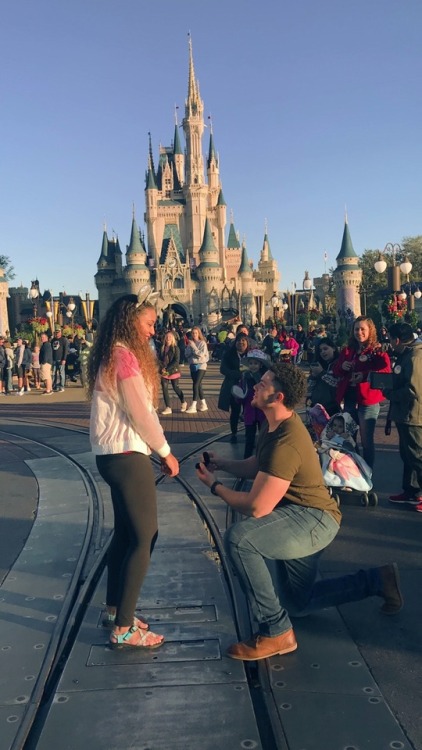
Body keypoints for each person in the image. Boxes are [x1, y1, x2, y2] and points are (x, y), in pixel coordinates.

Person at [196, 362, 403, 661]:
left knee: (240, 540)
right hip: (302, 514)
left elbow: (257, 507)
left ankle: (276, 631)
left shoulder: (287, 441)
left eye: (263, 384)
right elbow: (257, 465)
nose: (255, 386)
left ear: (277, 397)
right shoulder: (276, 425)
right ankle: (378, 580)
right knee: (298, 602)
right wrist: (223, 465)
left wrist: (215, 486)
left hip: (312, 519)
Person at [88, 290, 179, 649]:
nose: (152, 331)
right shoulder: (124, 359)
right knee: (145, 537)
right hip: (126, 456)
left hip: (111, 454)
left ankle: (115, 609)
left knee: (125, 534)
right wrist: (166, 451)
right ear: (131, 321)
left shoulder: (112, 355)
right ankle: (124, 627)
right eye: (149, 323)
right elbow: (141, 412)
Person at [332, 316, 391, 468]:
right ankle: (355, 469)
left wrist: (365, 376)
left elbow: (385, 370)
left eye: (363, 329)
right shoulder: (348, 350)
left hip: (367, 400)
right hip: (350, 399)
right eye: (356, 329)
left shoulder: (377, 350)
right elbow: (336, 370)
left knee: (366, 440)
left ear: (370, 330)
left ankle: (368, 471)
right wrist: (341, 367)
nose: (359, 332)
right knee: (349, 437)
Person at [384, 322, 422, 512]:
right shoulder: (407, 354)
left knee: (417, 455)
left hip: (412, 414)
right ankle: (411, 491)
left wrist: (391, 394)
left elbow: (413, 389)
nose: (390, 343)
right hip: (405, 413)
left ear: (397, 339)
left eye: (390, 339)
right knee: (407, 455)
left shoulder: (414, 356)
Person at [234, 349, 270, 458]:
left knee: (263, 438)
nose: (253, 366)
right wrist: (238, 396)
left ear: (260, 365)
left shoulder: (265, 378)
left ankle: (263, 460)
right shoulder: (244, 377)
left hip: (262, 412)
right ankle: (247, 461)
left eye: (255, 363)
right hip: (249, 412)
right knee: (249, 438)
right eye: (251, 363)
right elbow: (241, 393)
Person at [218, 332, 250, 442]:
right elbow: (223, 369)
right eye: (239, 341)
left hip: (249, 386)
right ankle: (234, 433)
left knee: (248, 411)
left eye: (243, 341)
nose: (241, 343)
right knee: (235, 411)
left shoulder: (251, 354)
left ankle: (249, 433)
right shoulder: (229, 354)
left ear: (247, 343)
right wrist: (236, 374)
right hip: (233, 386)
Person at [306, 337, 340, 417]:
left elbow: (336, 383)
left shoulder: (339, 365)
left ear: (334, 348)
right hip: (315, 407)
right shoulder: (319, 364)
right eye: (320, 350)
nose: (323, 352)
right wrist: (313, 377)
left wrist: (322, 373)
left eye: (325, 349)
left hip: (331, 408)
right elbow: (309, 387)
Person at [158, 331, 187, 415]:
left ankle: (183, 401)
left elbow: (176, 361)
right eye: (167, 337)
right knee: (164, 388)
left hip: (173, 370)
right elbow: (159, 359)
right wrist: (162, 368)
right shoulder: (162, 348)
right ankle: (168, 407)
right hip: (164, 371)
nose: (168, 338)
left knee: (175, 387)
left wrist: (167, 368)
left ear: (173, 338)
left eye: (170, 337)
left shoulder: (175, 348)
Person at [184, 326, 209, 413]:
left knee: (195, 384)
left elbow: (202, 355)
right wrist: (190, 349)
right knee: (198, 386)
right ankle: (204, 404)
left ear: (199, 334)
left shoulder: (202, 343)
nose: (194, 335)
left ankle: (193, 405)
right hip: (192, 365)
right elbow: (186, 354)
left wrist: (194, 348)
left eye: (196, 333)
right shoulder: (190, 343)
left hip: (201, 366)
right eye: (193, 333)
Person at [51, 327, 69, 392]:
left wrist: (64, 359)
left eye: (58, 332)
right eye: (56, 332)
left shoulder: (64, 340)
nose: (57, 334)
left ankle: (62, 386)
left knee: (61, 373)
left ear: (60, 332)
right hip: (54, 359)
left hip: (61, 359)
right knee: (53, 373)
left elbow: (66, 350)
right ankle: (54, 386)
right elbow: (51, 350)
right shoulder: (53, 340)